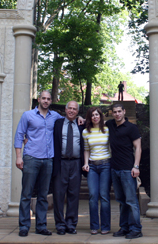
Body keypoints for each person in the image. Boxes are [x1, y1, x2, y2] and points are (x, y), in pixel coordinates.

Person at [14, 91, 63, 237]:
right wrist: (18, 157)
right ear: (39, 99)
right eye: (44, 98)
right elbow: (19, 135)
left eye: (48, 99)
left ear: (51, 101)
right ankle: (24, 226)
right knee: (26, 194)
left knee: (43, 195)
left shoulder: (55, 116)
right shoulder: (27, 115)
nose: (46, 101)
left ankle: (41, 226)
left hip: (48, 160)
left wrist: (80, 118)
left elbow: (68, 120)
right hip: (31, 158)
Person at [106, 103, 143, 239]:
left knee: (131, 201)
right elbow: (96, 121)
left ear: (124, 111)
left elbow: (138, 148)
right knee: (121, 201)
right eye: (115, 112)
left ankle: (136, 229)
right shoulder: (110, 124)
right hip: (114, 169)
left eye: (119, 111)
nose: (117, 114)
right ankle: (125, 227)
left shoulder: (131, 128)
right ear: (112, 113)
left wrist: (136, 166)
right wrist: (81, 118)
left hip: (128, 170)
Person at [52, 101, 85, 235]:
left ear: (78, 111)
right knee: (59, 194)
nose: (71, 111)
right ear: (65, 110)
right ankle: (60, 224)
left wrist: (83, 118)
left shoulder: (81, 124)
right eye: (69, 108)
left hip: (76, 163)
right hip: (61, 163)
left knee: (74, 194)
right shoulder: (57, 123)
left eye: (74, 109)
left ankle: (71, 223)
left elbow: (97, 119)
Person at [82, 107, 111, 235]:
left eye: (97, 114)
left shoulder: (107, 130)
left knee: (104, 196)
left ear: (100, 116)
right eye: (92, 115)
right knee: (93, 196)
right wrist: (86, 164)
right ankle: (94, 225)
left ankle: (105, 226)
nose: (95, 117)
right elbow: (86, 149)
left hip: (106, 165)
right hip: (92, 167)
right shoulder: (85, 132)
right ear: (89, 117)